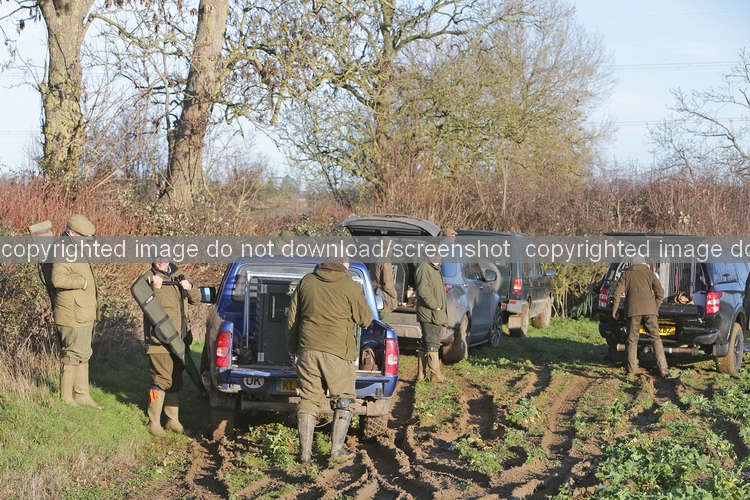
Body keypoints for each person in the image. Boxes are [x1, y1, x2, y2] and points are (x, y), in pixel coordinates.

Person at [286, 258, 373, 463]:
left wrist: (292, 347)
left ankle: (305, 453)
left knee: (309, 399)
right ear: (342, 263)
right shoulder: (350, 286)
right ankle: (336, 449)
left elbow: (292, 318)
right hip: (338, 352)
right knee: (343, 398)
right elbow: (365, 319)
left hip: (307, 349)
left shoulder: (306, 281)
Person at [51, 214, 104, 409]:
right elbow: (57, 279)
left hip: (82, 312)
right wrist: (81, 282)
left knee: (84, 354)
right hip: (72, 314)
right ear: (71, 233)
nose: (87, 240)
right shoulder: (63, 249)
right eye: (84, 237)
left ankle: (82, 395)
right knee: (72, 355)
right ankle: (66, 399)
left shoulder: (75, 247)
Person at [143, 261, 200, 437]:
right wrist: (157, 289)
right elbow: (151, 308)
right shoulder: (148, 278)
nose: (161, 260)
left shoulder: (179, 275)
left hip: (180, 340)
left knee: (175, 380)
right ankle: (153, 424)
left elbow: (196, 299)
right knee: (161, 380)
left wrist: (190, 287)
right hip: (159, 340)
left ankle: (172, 421)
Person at [612, 256, 668, 378]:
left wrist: (615, 310)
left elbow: (617, 293)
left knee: (632, 339)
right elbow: (660, 292)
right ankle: (663, 369)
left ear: (632, 263)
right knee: (655, 338)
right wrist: (655, 305)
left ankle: (631, 370)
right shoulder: (650, 274)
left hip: (633, 310)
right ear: (644, 263)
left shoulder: (626, 274)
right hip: (650, 310)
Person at [415, 251, 449, 383]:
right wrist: (435, 306)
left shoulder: (435, 269)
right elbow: (423, 291)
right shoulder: (425, 268)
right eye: (433, 254)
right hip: (430, 313)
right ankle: (435, 374)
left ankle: (421, 374)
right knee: (433, 343)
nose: (436, 257)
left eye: (439, 255)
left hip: (434, 312)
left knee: (425, 343)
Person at [370, 238, 398, 324]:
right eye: (392, 248)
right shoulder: (385, 260)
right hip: (384, 298)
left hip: (375, 295)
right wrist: (395, 295)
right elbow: (387, 283)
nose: (392, 250)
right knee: (384, 324)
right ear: (387, 247)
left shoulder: (374, 257)